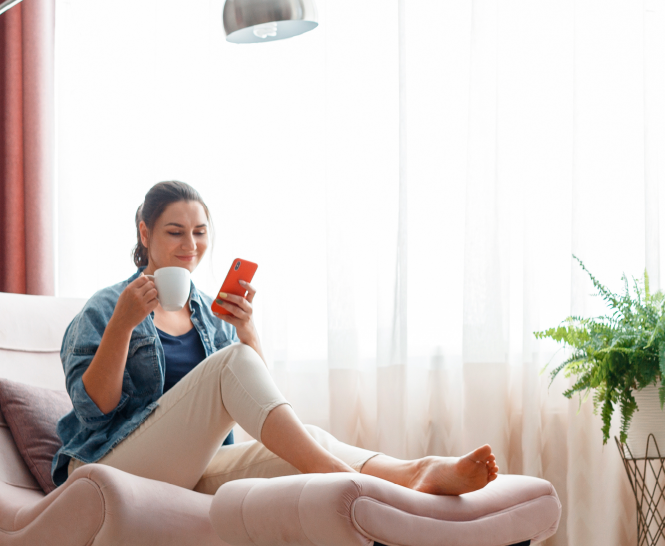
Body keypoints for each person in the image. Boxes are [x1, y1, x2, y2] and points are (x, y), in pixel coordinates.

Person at [51, 180, 499, 495]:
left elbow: (255, 401)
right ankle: (342, 477)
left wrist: (247, 332)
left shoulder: (211, 313)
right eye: (175, 232)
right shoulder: (109, 306)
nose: (190, 244)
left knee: (309, 440)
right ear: (145, 234)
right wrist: (123, 325)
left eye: (200, 232)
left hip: (189, 466)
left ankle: (414, 472)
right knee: (243, 375)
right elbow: (94, 411)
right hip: (111, 465)